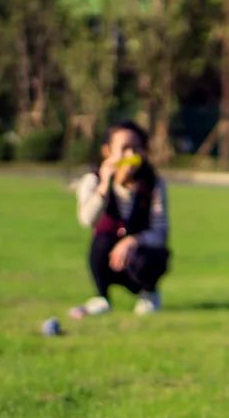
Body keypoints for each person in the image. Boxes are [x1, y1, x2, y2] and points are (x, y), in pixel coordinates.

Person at [70, 120, 170, 318]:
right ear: (107, 151)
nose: (131, 156)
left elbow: (161, 232)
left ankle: (148, 293)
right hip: (107, 256)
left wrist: (133, 241)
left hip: (139, 255)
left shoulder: (152, 184)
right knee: (101, 241)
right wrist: (105, 186)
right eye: (124, 149)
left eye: (137, 148)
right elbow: (87, 220)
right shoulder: (93, 180)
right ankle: (102, 298)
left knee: (152, 256)